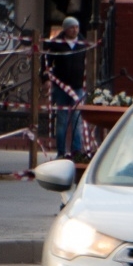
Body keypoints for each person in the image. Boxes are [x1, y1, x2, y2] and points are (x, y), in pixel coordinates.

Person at [45, 17, 87, 159]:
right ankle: (61, 152)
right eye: (71, 27)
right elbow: (46, 62)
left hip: (77, 88)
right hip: (61, 87)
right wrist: (45, 78)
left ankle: (77, 152)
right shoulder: (56, 43)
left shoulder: (83, 43)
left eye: (76, 27)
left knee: (77, 119)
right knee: (62, 120)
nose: (75, 30)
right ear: (65, 29)